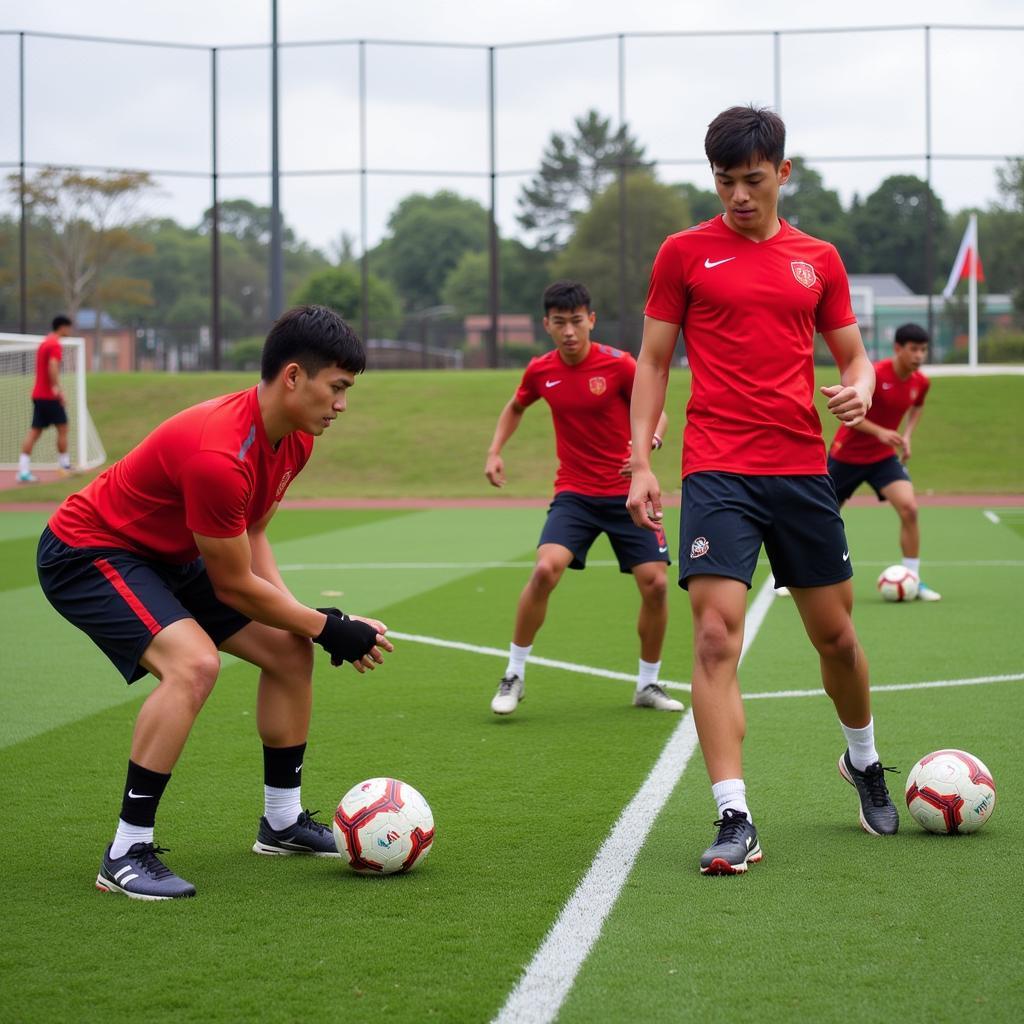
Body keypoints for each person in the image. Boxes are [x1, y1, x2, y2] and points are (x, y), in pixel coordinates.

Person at [37, 305, 392, 900]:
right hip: (89, 552)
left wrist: (308, 623)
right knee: (192, 664)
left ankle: (281, 823)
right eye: (337, 387)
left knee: (287, 649)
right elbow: (232, 585)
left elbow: (252, 539)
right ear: (294, 378)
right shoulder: (219, 454)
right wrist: (331, 627)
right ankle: (125, 851)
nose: (341, 404)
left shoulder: (293, 441)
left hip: (171, 557)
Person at [626, 106, 899, 876]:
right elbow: (652, 361)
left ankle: (864, 760)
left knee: (837, 638)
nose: (739, 195)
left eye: (753, 179)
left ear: (783, 172)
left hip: (802, 471)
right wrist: (639, 459)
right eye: (724, 180)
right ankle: (734, 814)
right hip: (716, 468)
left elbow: (855, 358)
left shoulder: (819, 260)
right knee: (715, 636)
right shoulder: (683, 254)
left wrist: (861, 390)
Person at [484, 280, 682, 717]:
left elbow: (659, 411)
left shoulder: (620, 365)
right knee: (544, 571)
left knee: (656, 584)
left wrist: (647, 444)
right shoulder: (541, 370)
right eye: (560, 323)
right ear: (547, 326)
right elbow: (516, 406)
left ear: (591, 320)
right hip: (574, 493)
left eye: (577, 321)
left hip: (627, 491)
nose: (569, 331)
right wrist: (495, 451)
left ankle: (648, 684)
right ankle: (514, 674)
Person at [827, 322, 941, 600]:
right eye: (913, 349)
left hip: (882, 458)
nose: (919, 356)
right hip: (846, 456)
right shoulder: (875, 375)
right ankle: (794, 578)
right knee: (822, 518)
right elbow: (848, 414)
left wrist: (908, 436)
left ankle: (912, 578)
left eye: (923, 350)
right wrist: (881, 432)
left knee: (909, 508)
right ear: (898, 348)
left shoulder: (920, 382)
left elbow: (917, 407)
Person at [18, 314, 74, 483]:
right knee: (63, 427)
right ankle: (64, 466)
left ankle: (23, 470)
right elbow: (52, 366)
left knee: (35, 431)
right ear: (62, 327)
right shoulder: (55, 344)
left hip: (38, 395)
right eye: (68, 327)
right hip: (48, 396)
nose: (69, 331)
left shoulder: (44, 342)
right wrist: (57, 389)